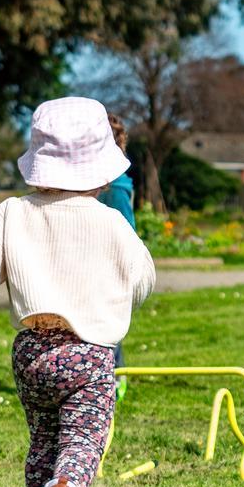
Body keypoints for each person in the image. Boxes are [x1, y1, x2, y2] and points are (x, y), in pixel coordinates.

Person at [0, 97, 155, 487]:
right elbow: (142, 278)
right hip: (88, 356)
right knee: (82, 437)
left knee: (42, 437)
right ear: (102, 168)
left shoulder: (13, 213)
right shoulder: (112, 222)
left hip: (31, 353)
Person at [95, 113, 136, 400]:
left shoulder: (115, 186)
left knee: (108, 322)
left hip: (109, 264)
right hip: (93, 262)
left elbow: (126, 232)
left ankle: (115, 376)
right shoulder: (102, 181)